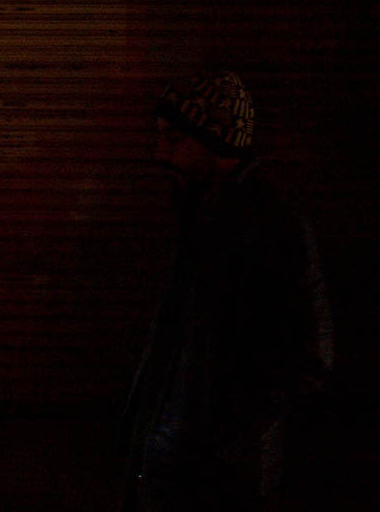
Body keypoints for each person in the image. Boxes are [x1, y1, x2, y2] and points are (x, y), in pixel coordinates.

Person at [121, 70, 334, 511]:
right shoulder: (202, 218)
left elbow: (310, 358)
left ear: (217, 143)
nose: (159, 153)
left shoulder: (276, 228)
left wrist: (230, 442)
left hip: (219, 481)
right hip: (171, 467)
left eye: (174, 139)